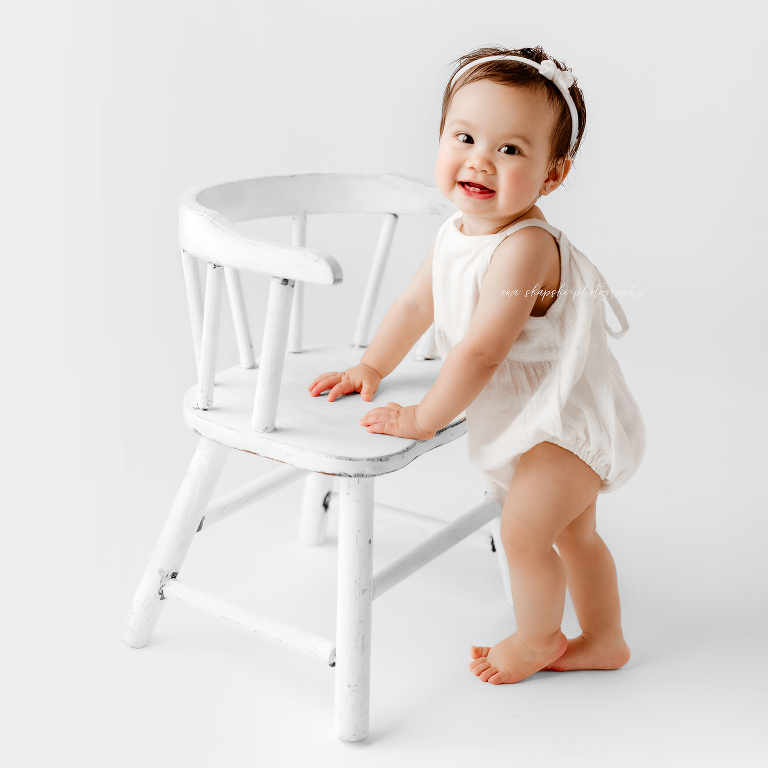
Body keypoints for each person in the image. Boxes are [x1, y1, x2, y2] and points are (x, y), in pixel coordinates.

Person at [306, 45, 646, 685]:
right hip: (529, 417)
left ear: (553, 174)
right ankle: (606, 639)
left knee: (524, 534)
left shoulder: (525, 250)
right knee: (575, 538)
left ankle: (536, 639)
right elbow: (416, 301)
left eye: (512, 150)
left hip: (563, 421)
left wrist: (424, 417)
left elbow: (482, 349)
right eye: (463, 137)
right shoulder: (456, 231)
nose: (480, 160)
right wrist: (372, 366)